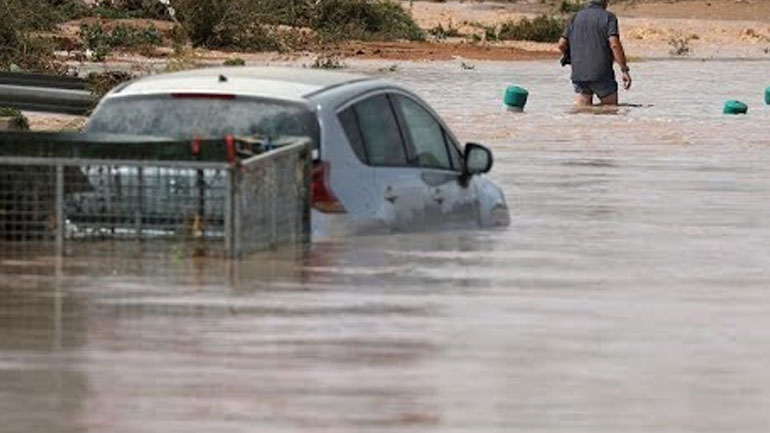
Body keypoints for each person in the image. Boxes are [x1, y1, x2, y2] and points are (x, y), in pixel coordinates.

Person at [558, 0, 632, 107]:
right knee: (610, 110)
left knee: (582, 111)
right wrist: (624, 70)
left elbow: (561, 44)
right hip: (602, 73)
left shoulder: (574, 17)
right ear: (605, 2)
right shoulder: (609, 17)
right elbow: (614, 44)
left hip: (579, 74)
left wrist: (569, 56)